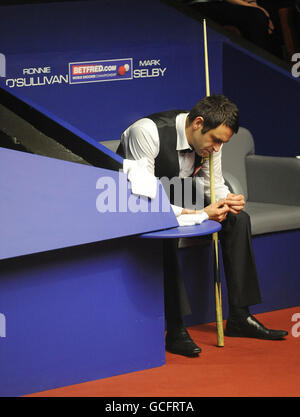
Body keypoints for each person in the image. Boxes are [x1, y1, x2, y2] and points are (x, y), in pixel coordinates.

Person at [117, 94, 288, 358]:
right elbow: (146, 201)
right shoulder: (147, 132)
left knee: (238, 219)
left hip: (178, 195)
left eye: (223, 142)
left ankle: (240, 316)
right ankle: (175, 329)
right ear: (197, 123)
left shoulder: (209, 143)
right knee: (167, 232)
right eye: (216, 140)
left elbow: (213, 185)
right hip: (135, 202)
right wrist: (198, 214)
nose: (218, 148)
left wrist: (226, 202)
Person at [177, 0, 282, 57]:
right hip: (198, 5)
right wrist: (255, 8)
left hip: (225, 5)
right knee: (256, 16)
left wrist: (252, 4)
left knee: (272, 16)